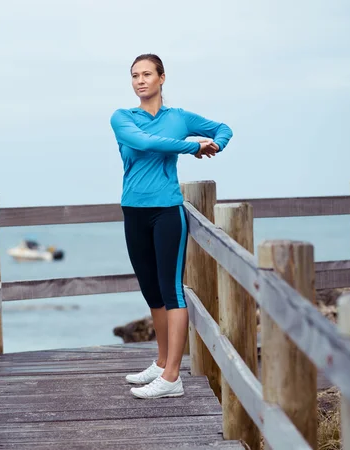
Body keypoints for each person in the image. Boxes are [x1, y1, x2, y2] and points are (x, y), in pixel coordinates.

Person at [109, 53, 233, 399]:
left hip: (166, 211)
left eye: (147, 74)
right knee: (151, 291)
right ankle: (162, 362)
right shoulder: (122, 118)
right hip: (133, 210)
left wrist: (215, 145)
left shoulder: (179, 118)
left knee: (171, 290)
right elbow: (145, 143)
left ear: (162, 78)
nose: (140, 80)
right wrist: (192, 146)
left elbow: (224, 129)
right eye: (135, 75)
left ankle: (173, 377)